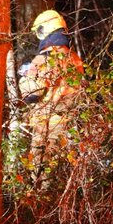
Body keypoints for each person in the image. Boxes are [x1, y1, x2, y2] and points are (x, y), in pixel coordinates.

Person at [18, 9, 84, 166]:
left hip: (47, 129)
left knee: (41, 175)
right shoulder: (74, 59)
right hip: (70, 126)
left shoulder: (44, 58)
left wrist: (26, 75)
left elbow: (31, 94)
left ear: (44, 30)